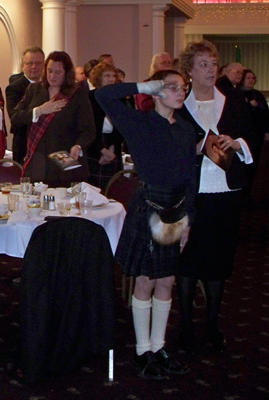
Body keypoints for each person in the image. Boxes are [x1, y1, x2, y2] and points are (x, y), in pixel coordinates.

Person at [96, 69, 196, 380]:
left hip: (175, 209)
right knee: (145, 281)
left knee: (166, 281)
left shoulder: (186, 130)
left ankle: (159, 346)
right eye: (172, 87)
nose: (181, 92)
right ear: (156, 92)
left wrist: (189, 218)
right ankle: (142, 351)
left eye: (183, 87)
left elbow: (192, 177)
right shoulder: (138, 121)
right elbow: (103, 95)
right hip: (147, 206)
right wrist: (142, 86)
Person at [176, 40, 253, 356]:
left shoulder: (232, 101)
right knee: (188, 263)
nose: (210, 69)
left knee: (219, 262)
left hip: (225, 193)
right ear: (190, 71)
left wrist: (237, 145)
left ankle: (212, 323)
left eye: (213, 63)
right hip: (193, 197)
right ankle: (185, 327)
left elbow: (252, 139)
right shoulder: (181, 107)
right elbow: (170, 150)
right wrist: (192, 150)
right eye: (203, 64)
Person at [11, 51, 95, 187]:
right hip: (37, 161)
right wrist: (40, 110)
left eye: (58, 72)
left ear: (67, 73)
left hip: (63, 161)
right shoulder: (34, 90)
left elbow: (89, 130)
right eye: (49, 71)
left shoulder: (77, 95)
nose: (52, 76)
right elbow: (15, 117)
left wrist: (79, 145)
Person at [86, 62, 124, 191]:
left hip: (114, 148)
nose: (111, 79)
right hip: (94, 148)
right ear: (98, 78)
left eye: (113, 76)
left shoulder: (119, 98)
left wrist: (112, 150)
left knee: (113, 190)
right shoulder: (90, 98)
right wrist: (102, 151)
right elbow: (88, 128)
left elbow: (122, 127)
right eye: (107, 75)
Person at [6, 46, 45, 164]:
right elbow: (15, 118)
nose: (34, 67)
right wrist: (40, 111)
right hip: (24, 144)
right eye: (30, 63)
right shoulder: (14, 88)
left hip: (46, 146)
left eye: (38, 63)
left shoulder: (50, 86)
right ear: (23, 66)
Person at [239, 69, 269, 187]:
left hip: (257, 134)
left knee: (255, 162)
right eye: (248, 78)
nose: (251, 81)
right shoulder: (238, 94)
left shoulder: (258, 95)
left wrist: (267, 131)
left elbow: (265, 114)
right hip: (243, 134)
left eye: (253, 78)